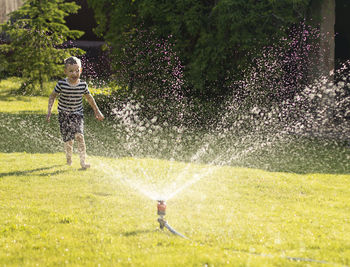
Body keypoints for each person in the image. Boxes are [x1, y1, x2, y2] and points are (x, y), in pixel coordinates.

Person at [46, 56, 104, 169]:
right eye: (71, 71)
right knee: (69, 141)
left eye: (77, 70)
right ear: (65, 72)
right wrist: (49, 111)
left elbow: (89, 98)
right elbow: (52, 96)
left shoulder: (83, 85)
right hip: (64, 115)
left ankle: (83, 162)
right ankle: (69, 159)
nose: (74, 73)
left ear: (81, 70)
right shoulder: (61, 84)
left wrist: (97, 111)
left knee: (80, 136)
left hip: (77, 114)